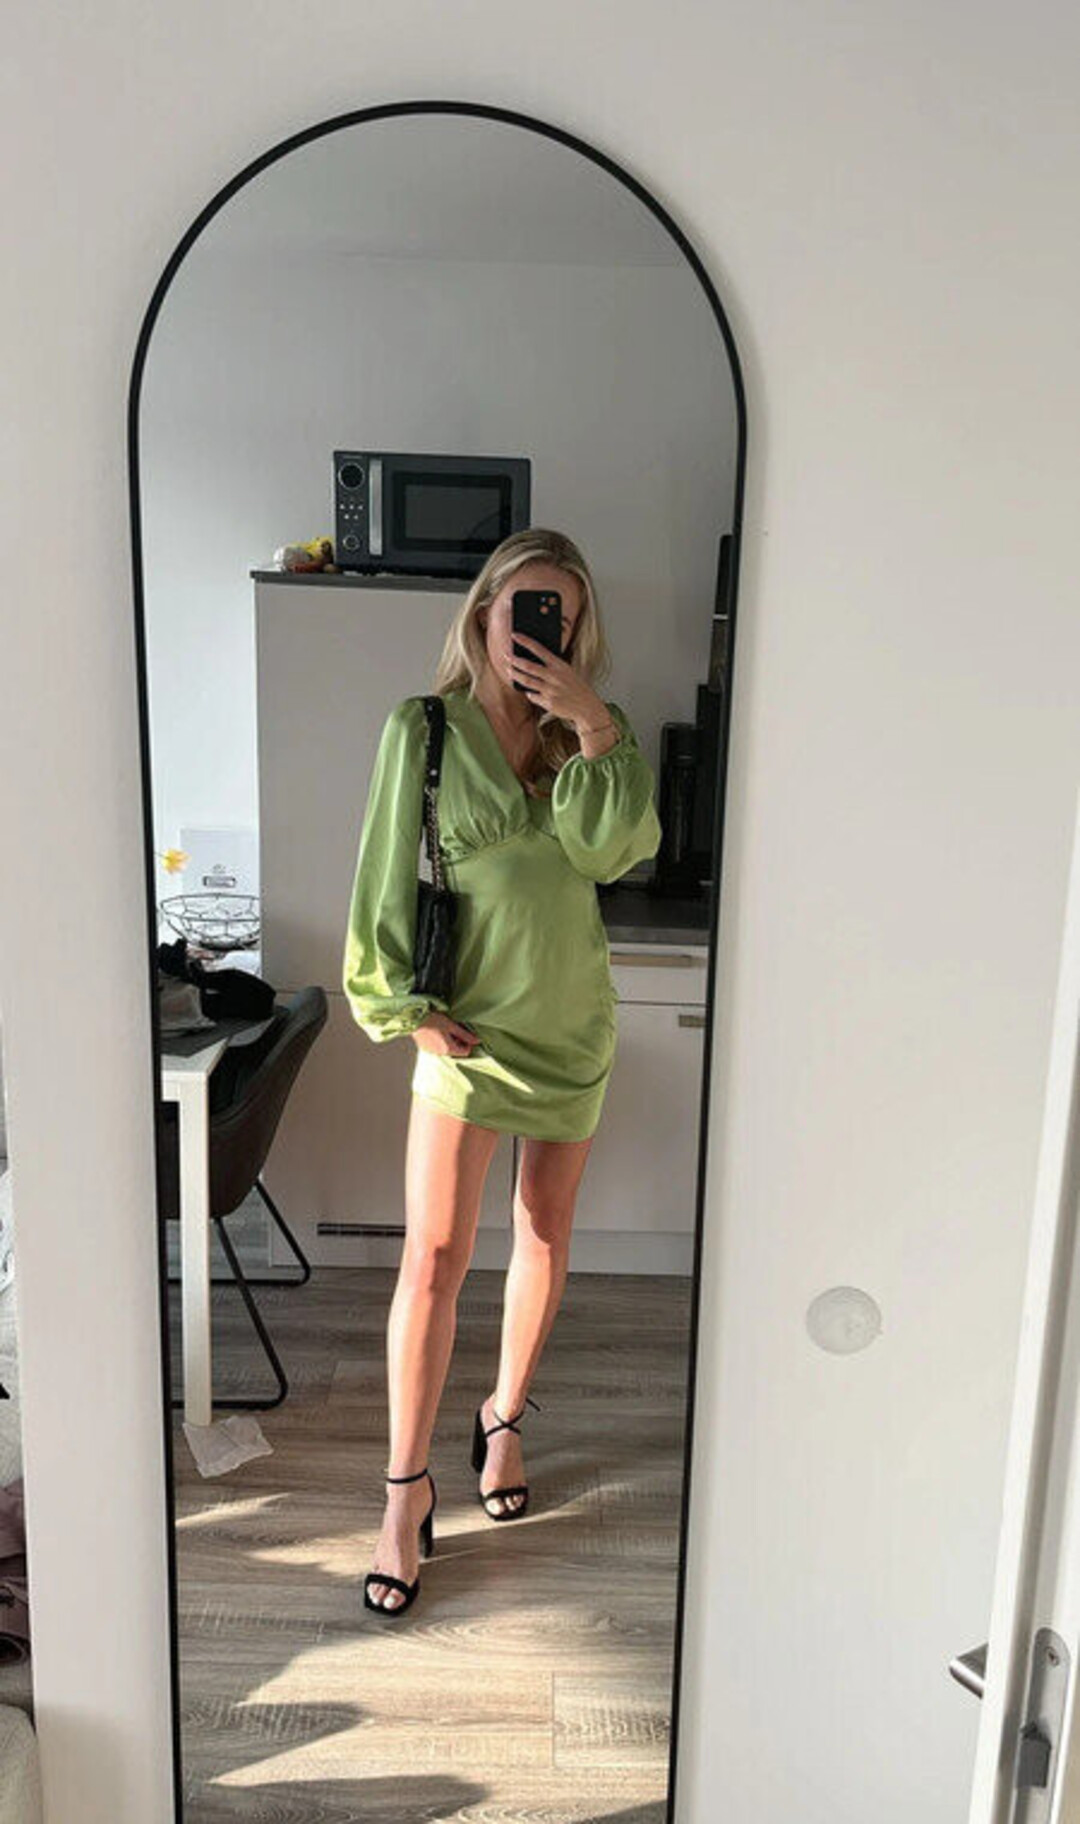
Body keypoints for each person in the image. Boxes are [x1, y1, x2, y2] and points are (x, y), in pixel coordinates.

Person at [342, 526, 662, 1614]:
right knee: (433, 1255)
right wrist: (403, 1010)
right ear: (483, 612)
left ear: (578, 630)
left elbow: (615, 855)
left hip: (571, 1029)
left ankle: (505, 1418)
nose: (537, 627)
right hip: (468, 1033)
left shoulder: (596, 739)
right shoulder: (423, 728)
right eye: (523, 605)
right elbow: (383, 872)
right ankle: (404, 1491)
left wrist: (592, 721)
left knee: (544, 1235)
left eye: (558, 614)